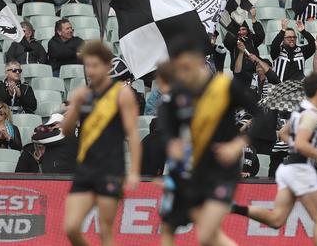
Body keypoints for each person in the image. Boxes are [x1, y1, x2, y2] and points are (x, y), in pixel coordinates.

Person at [158, 36, 264, 246]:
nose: (183, 73)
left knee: (206, 235)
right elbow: (167, 125)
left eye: (186, 67)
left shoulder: (224, 86)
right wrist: (172, 143)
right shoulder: (179, 94)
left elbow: (261, 115)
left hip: (224, 171)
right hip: (195, 171)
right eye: (179, 68)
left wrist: (238, 143)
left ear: (199, 61)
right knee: (201, 235)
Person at [231, 73, 317, 246]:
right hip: (301, 169)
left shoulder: (300, 109)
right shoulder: (312, 115)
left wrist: (299, 145)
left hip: (288, 168)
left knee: (277, 220)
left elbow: (283, 134)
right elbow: (300, 143)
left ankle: (235, 208)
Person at [61, 41, 141, 246]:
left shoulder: (122, 94)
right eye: (88, 66)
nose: (91, 71)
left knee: (105, 231)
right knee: (71, 227)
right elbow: (66, 131)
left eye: (95, 65)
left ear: (107, 66)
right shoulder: (83, 94)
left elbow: (132, 134)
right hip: (85, 169)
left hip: (110, 170)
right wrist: (74, 106)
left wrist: (133, 172)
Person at [223, 7, 265, 75]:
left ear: (247, 30)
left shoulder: (252, 39)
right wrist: (233, 31)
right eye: (239, 30)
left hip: (254, 73)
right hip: (239, 75)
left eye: (243, 29)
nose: (241, 32)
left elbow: (261, 35)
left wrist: (254, 19)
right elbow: (227, 42)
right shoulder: (233, 42)